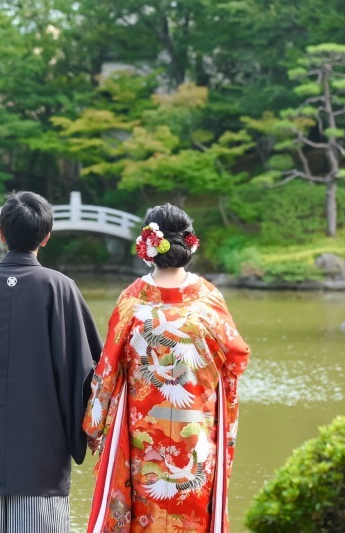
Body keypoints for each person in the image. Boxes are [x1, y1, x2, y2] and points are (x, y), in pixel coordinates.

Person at [0, 191, 103, 532]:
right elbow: (88, 371)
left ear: (1, 234)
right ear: (46, 237)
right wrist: (89, 428)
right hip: (42, 450)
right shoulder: (61, 288)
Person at [83, 204, 250, 533]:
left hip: (144, 434)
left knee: (145, 507)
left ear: (147, 245)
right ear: (189, 243)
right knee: (193, 503)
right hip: (197, 428)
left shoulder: (133, 300)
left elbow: (108, 368)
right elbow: (236, 360)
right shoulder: (208, 299)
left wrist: (94, 425)